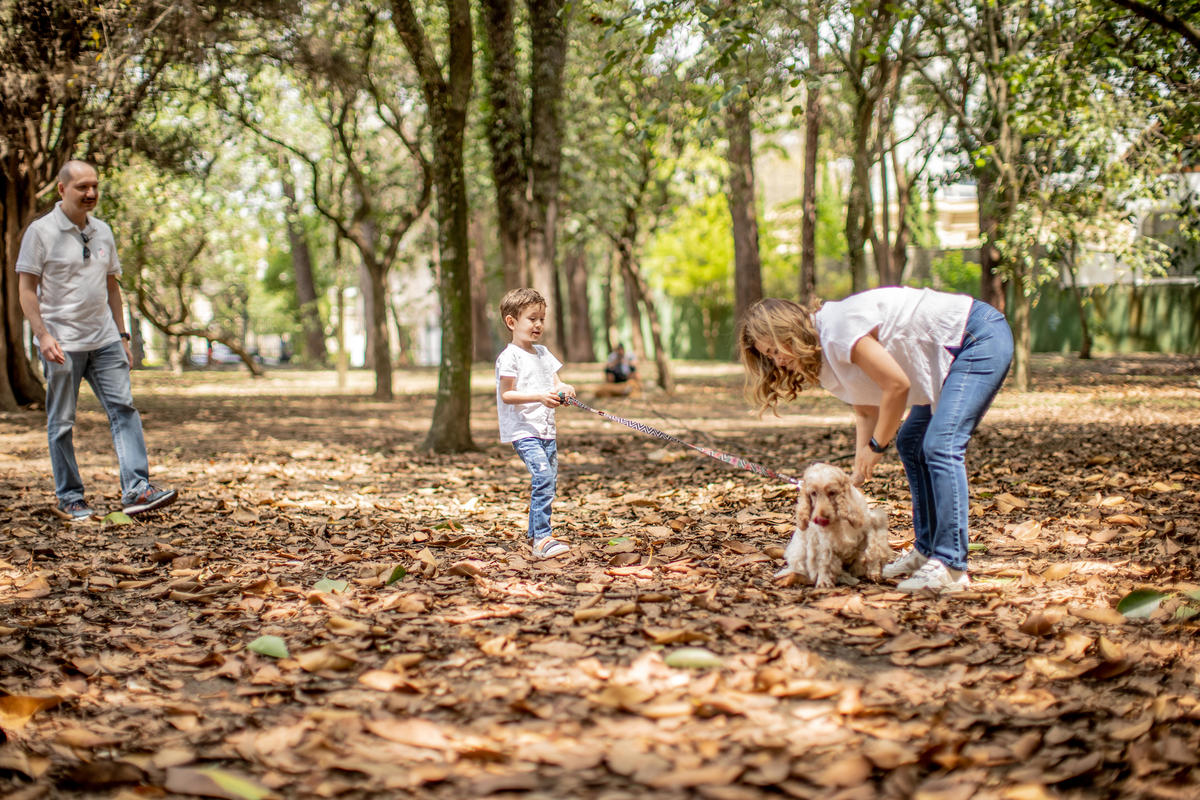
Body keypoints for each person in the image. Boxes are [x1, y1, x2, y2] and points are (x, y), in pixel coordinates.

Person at [738, 287, 1013, 593]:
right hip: (954, 349)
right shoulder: (824, 350)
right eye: (769, 356)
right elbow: (866, 410)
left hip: (974, 337)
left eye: (776, 350)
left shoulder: (837, 331)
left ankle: (951, 566)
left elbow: (897, 386)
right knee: (911, 441)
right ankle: (927, 552)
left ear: (788, 331)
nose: (777, 362)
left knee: (940, 444)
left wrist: (877, 447)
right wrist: (858, 469)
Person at [16, 160, 178, 521]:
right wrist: (42, 335)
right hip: (62, 344)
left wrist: (122, 335)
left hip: (104, 340)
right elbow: (26, 289)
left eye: (95, 186)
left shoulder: (103, 231)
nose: (90, 194)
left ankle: (137, 489)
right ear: (62, 190)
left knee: (124, 409)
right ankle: (70, 496)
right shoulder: (40, 232)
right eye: (81, 187)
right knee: (62, 421)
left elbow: (111, 287)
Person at [495, 288, 576, 560]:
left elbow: (557, 382)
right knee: (543, 477)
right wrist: (540, 397)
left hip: (546, 431)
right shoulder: (509, 357)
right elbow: (507, 394)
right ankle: (543, 538)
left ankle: (533, 536)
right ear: (511, 322)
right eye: (532, 319)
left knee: (549, 480)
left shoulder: (543, 353)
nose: (538, 324)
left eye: (541, 318)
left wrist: (566, 389)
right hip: (523, 431)